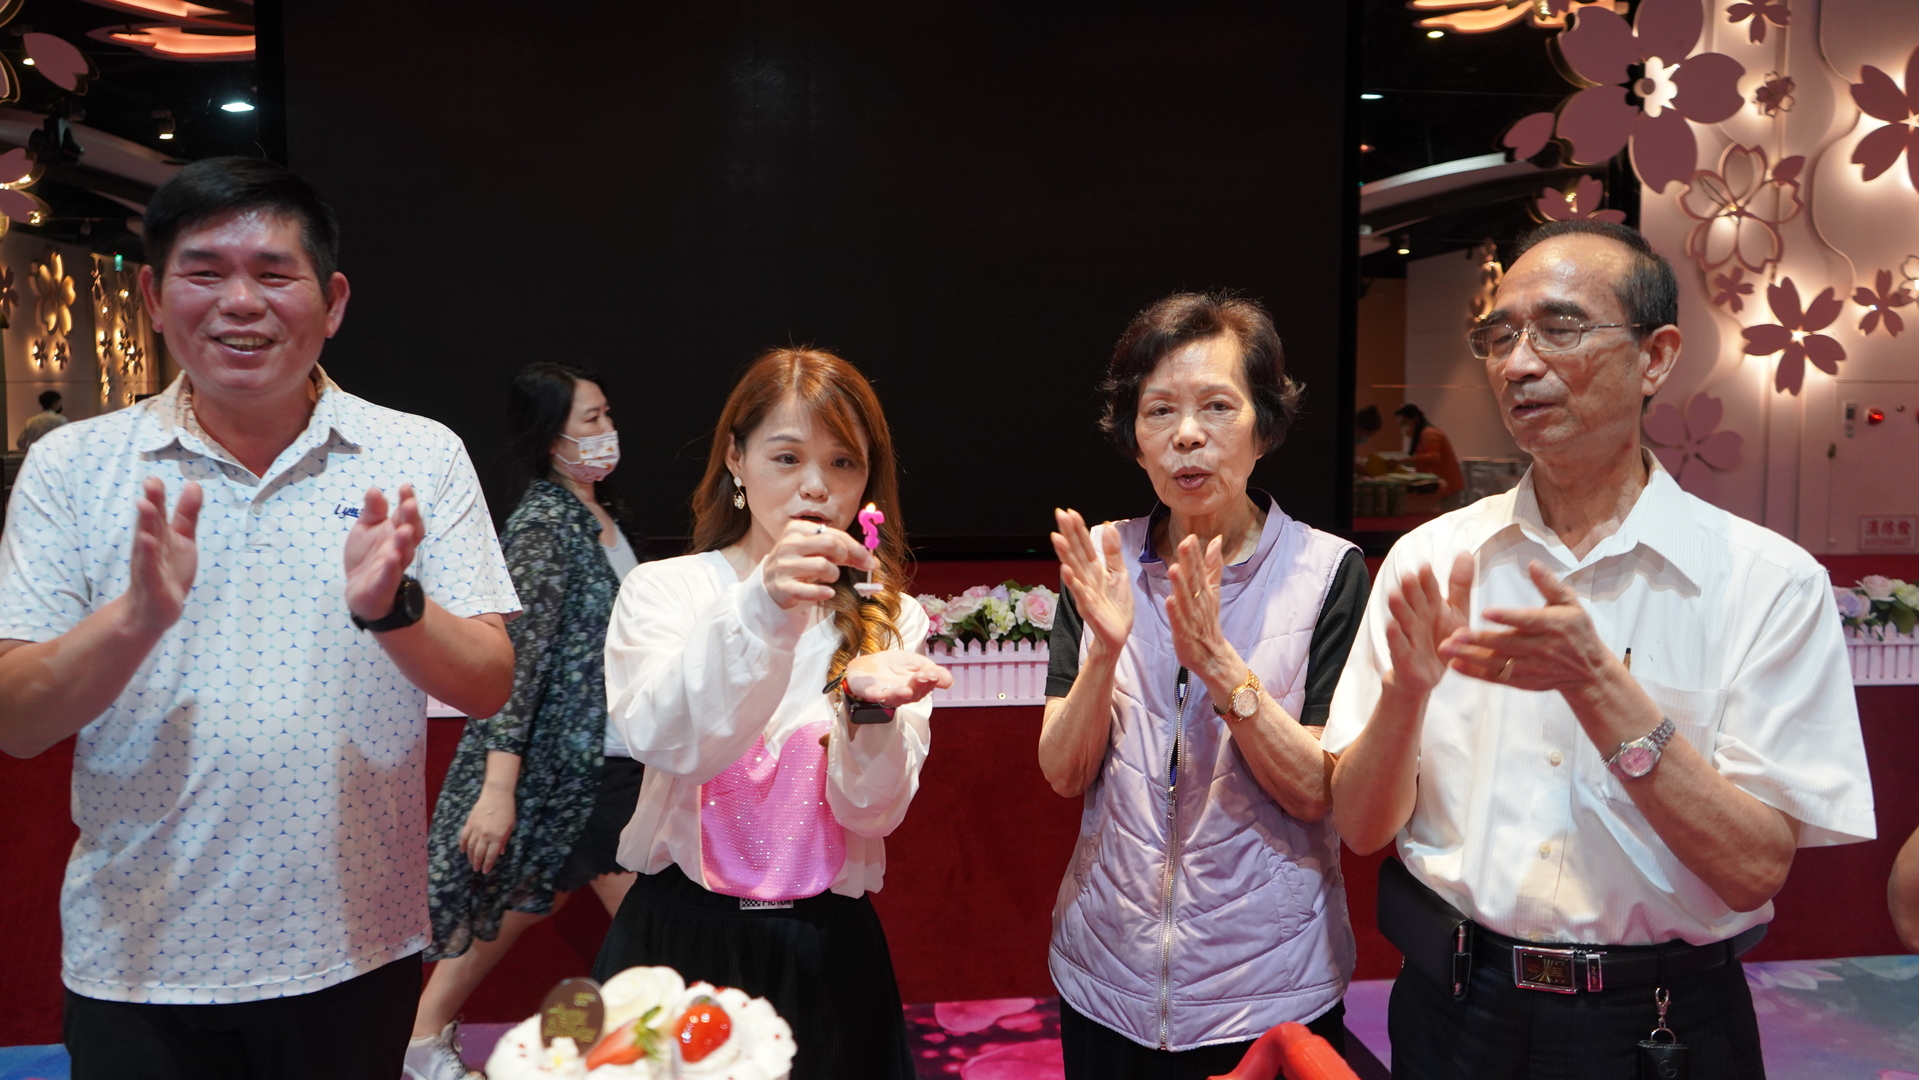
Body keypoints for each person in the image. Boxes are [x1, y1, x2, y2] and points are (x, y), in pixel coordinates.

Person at [0, 157, 520, 1080]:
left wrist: (393, 609)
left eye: (274, 273)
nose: (240, 302)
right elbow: (17, 721)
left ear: (333, 301)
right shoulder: (75, 467)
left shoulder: (416, 453)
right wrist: (136, 619)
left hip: (354, 949)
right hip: (140, 958)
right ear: (154, 298)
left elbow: (489, 683)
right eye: (205, 272)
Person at [1325, 220, 1875, 1079]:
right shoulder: (1432, 559)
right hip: (1455, 1009)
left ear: (1655, 357)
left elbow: (1753, 869)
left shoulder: (1765, 581)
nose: (1517, 364)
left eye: (1559, 328)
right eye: (1499, 337)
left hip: (1661, 1022)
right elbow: (1361, 829)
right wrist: (1405, 694)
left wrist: (1596, 686)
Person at [594, 347, 951, 1080]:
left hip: (824, 951)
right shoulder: (666, 591)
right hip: (680, 939)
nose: (815, 486)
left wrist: (868, 709)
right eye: (786, 458)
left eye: (843, 463)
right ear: (736, 459)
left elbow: (872, 812)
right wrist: (763, 605)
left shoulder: (889, 619)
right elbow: (668, 742)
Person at [1041, 292, 1369, 1079]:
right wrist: (1104, 652)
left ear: (1264, 425)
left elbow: (1317, 793)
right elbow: (1062, 773)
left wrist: (1220, 665)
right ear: (1134, 439)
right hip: (1107, 979)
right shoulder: (1102, 564)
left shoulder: (1328, 572)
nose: (1186, 434)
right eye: (1159, 411)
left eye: (1217, 406)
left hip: (1269, 992)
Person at [406, 362, 646, 1080]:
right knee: (649, 923)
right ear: (550, 438)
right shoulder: (544, 527)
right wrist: (497, 789)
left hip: (610, 754)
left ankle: (421, 1037)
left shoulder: (602, 516)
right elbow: (519, 662)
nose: (607, 431)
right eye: (591, 420)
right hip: (579, 765)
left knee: (523, 902)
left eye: (607, 414)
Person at [1394, 403, 1463, 499]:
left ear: (1415, 419)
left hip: (1447, 488)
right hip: (1441, 487)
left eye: (1405, 423)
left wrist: (1402, 461)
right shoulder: (1424, 435)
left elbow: (1433, 457)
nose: (1403, 428)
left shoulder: (1430, 434)